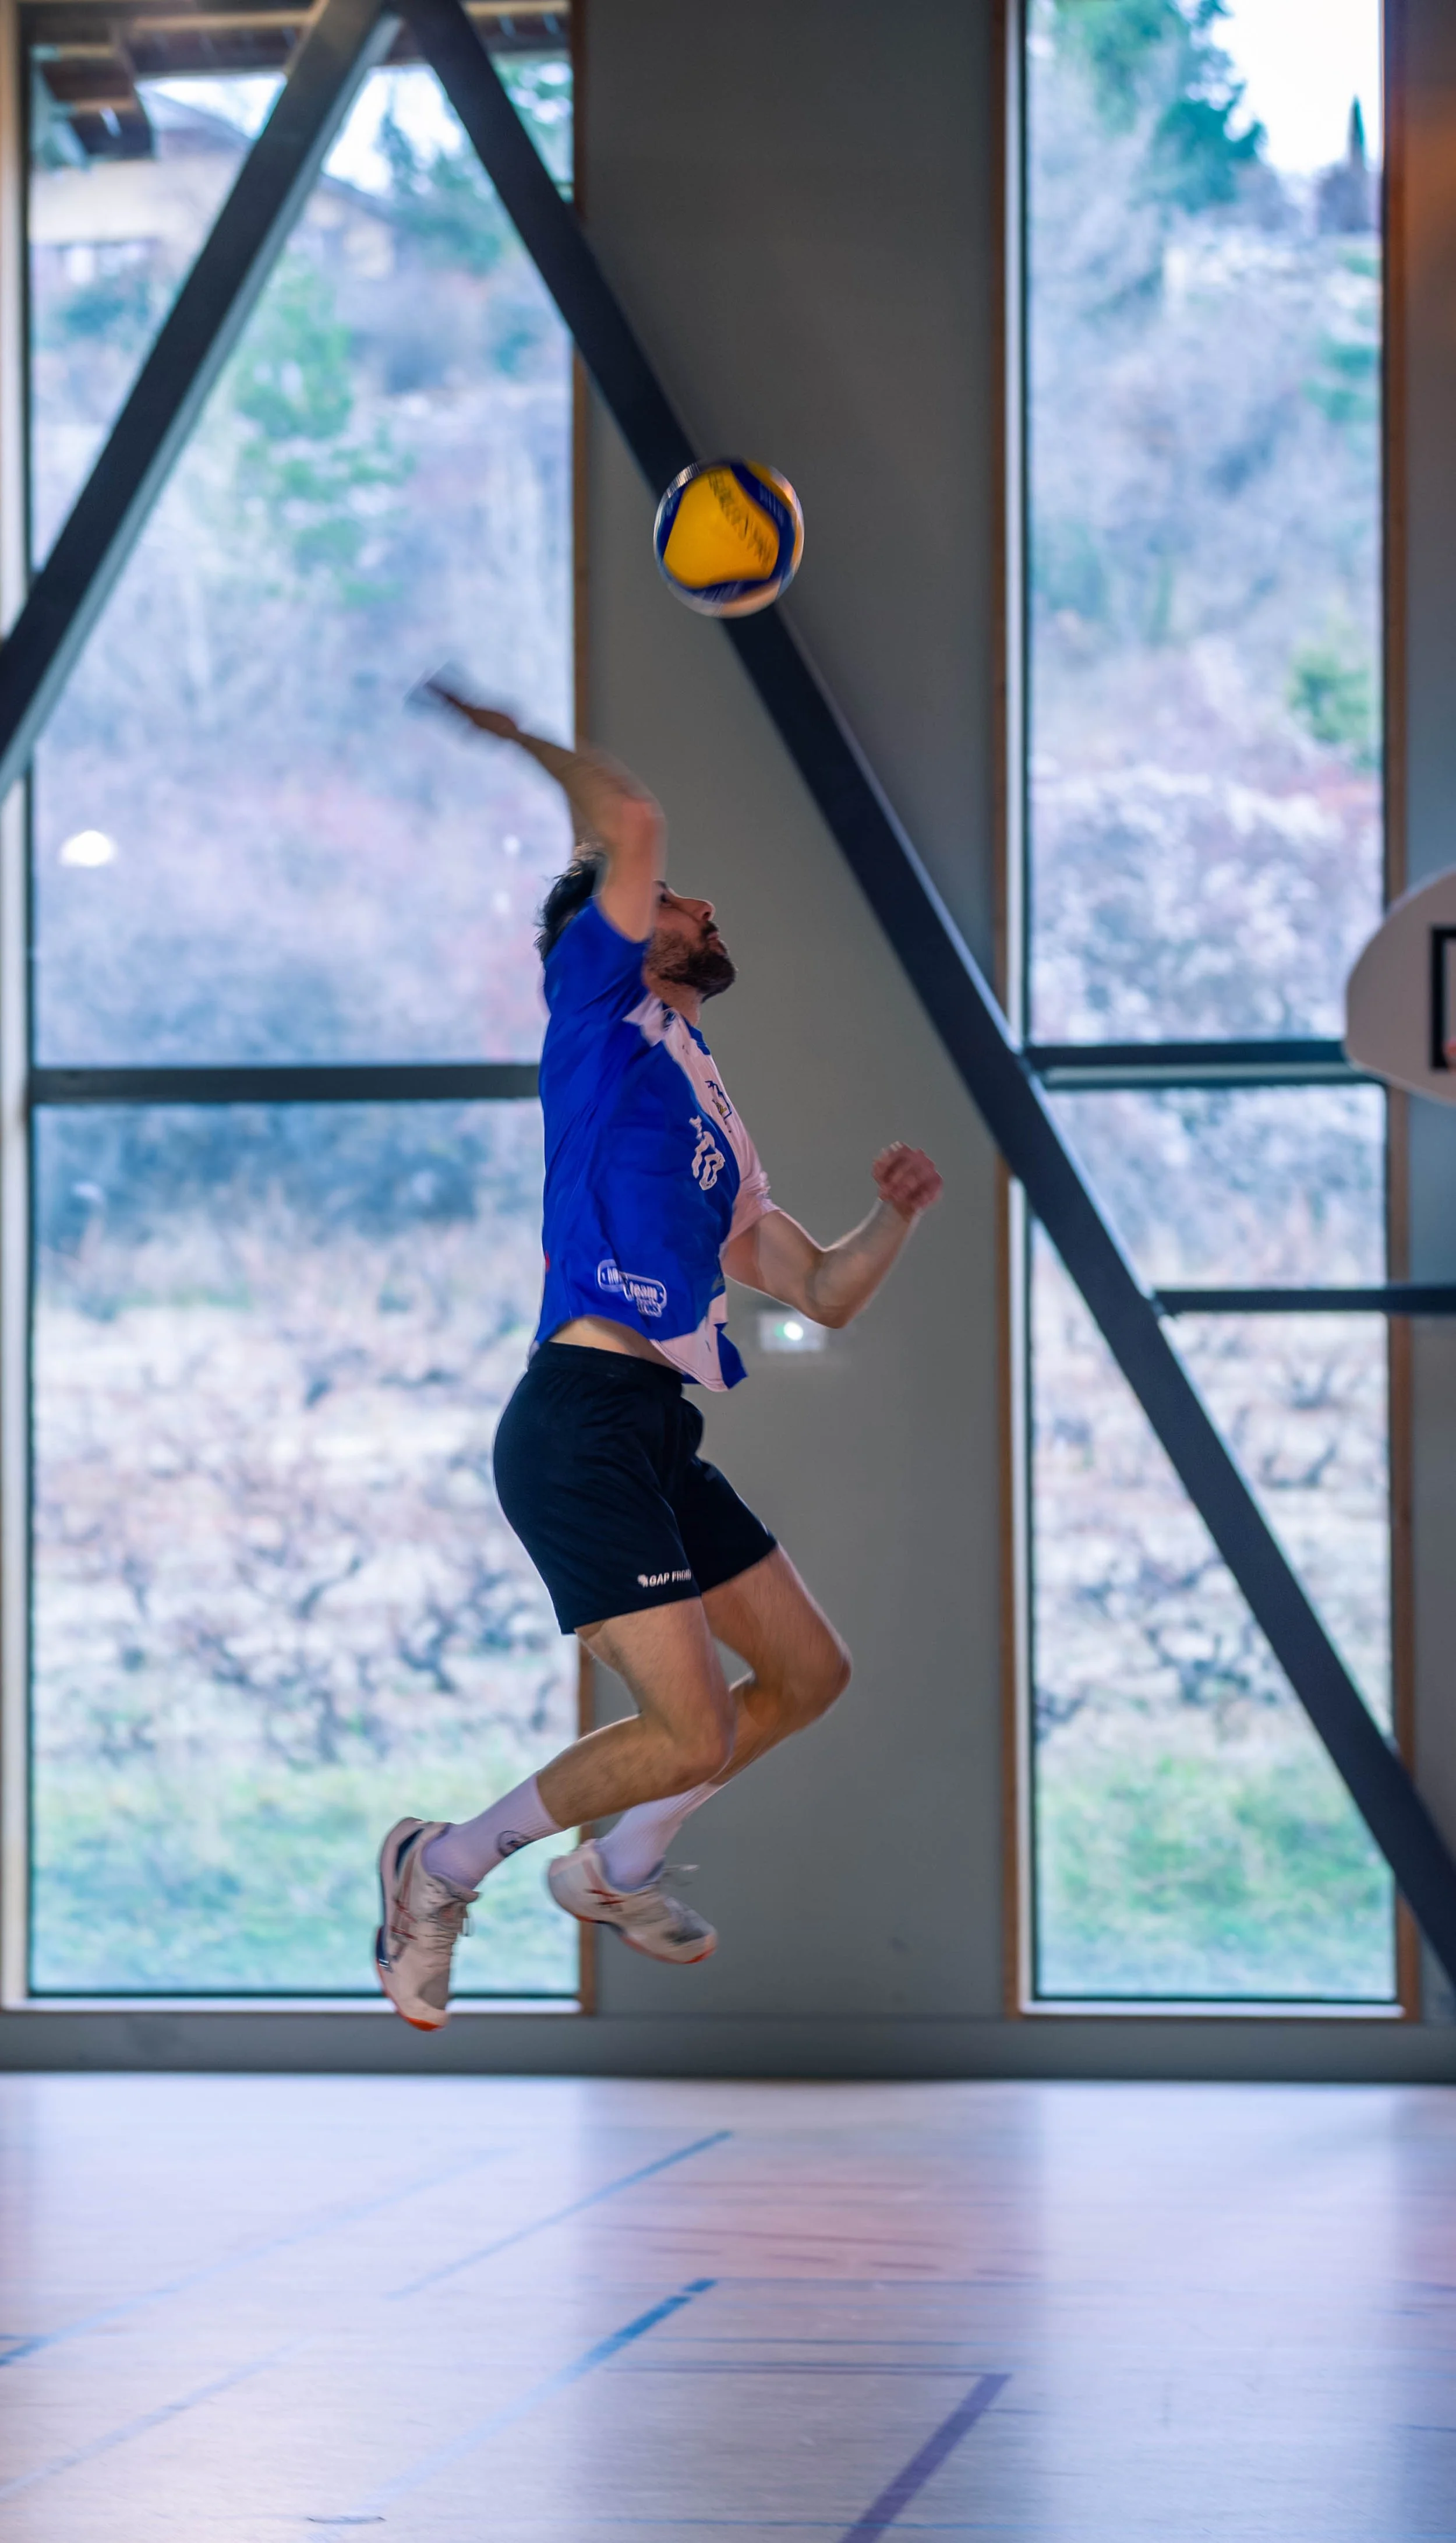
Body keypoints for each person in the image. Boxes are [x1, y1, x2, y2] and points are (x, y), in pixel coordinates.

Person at [376, 686, 943, 2027]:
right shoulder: (595, 1008)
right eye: (676, 899)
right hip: (575, 1420)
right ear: (618, 930)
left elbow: (817, 1287)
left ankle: (616, 1861)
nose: (699, 911)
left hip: (655, 1424)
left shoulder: (705, 1100)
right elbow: (625, 816)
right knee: (688, 1727)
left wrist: (893, 1216)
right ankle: (440, 1864)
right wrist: (515, 737)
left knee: (808, 1675)